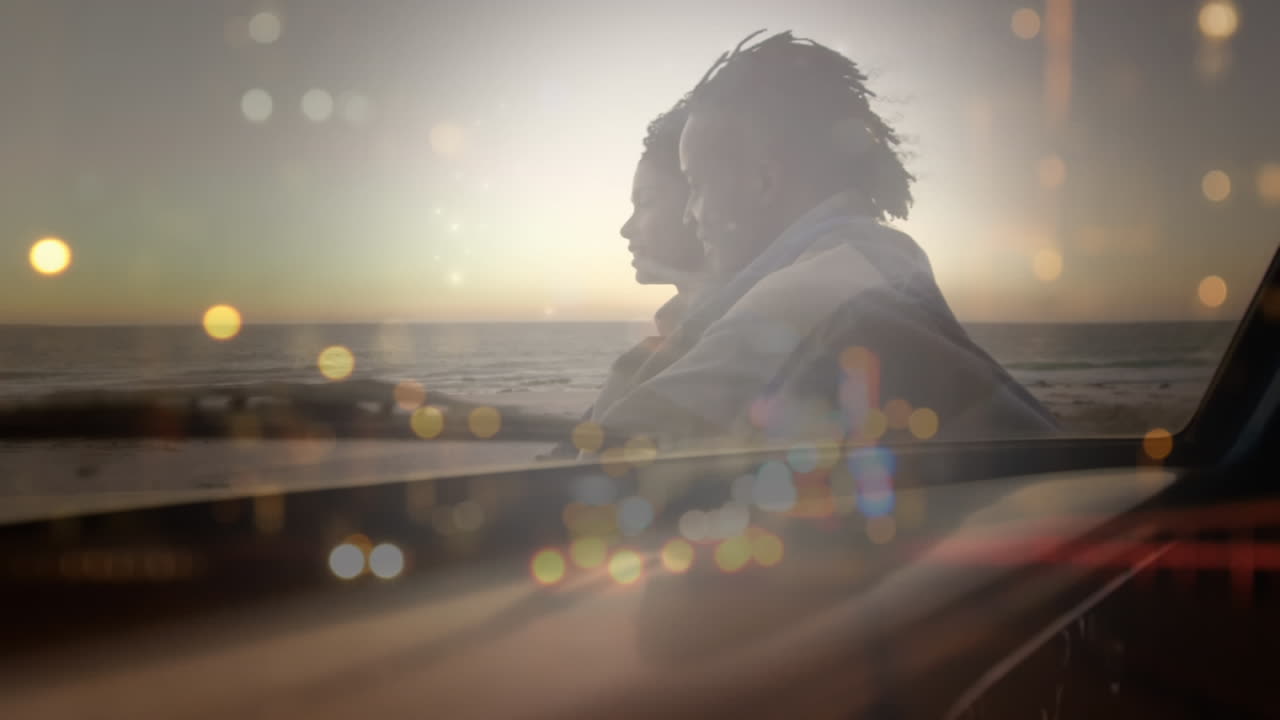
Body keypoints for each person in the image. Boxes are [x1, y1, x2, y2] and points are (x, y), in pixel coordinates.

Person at [592, 31, 1058, 450]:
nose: (691, 214)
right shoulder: (873, 264)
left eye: (696, 184)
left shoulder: (822, 292)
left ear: (762, 183)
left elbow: (615, 457)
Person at [542, 99, 707, 459]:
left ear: (699, 198)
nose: (626, 229)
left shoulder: (704, 348)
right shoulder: (672, 336)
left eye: (645, 203)